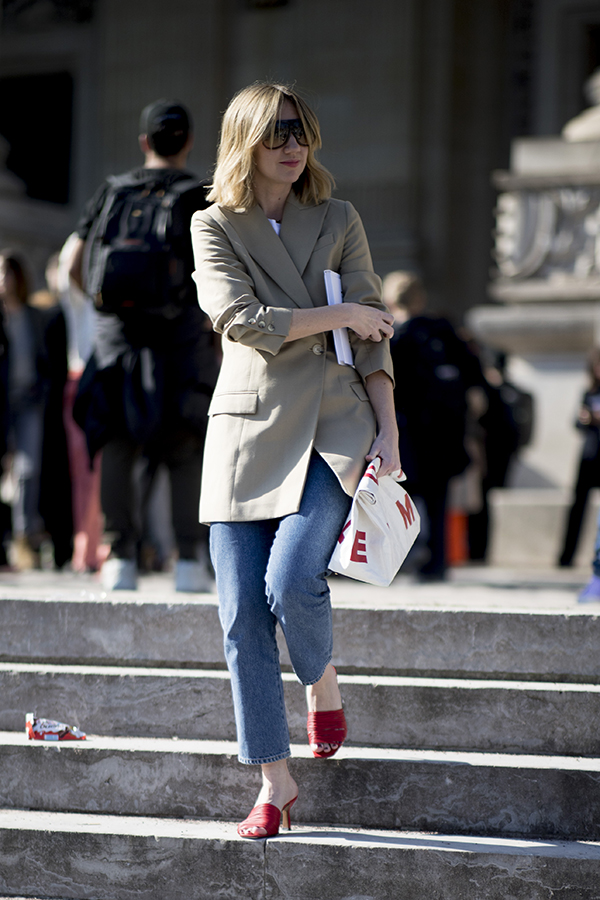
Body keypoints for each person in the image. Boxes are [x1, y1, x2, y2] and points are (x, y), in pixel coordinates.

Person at [191, 82, 397, 838]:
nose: (292, 142)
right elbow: (241, 321)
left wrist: (390, 435)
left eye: (302, 129)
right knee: (243, 612)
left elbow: (378, 336)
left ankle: (321, 672)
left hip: (337, 427)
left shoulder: (339, 217)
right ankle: (274, 784)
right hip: (245, 432)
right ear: (246, 139)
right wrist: (342, 313)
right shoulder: (211, 224)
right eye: (276, 131)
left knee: (290, 578)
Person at [68, 100, 219, 591]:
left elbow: (73, 262)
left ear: (144, 143)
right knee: (184, 444)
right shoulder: (201, 194)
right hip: (179, 340)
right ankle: (189, 561)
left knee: (117, 442)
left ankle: (121, 558)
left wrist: (100, 307)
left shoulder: (113, 190)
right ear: (189, 142)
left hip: (118, 340)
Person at [384, 271, 482, 580]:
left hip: (408, 430)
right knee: (438, 497)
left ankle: (402, 558)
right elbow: (473, 374)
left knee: (399, 496)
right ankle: (437, 561)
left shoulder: (392, 335)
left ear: (389, 299)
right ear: (420, 297)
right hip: (444, 431)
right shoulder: (444, 330)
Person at [0, 249, 72, 569]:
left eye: (8, 272)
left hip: (30, 400)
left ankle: (23, 537)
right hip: (2, 402)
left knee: (29, 471)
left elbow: (44, 359)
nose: (4, 279)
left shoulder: (33, 315)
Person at [558, 348, 600, 568]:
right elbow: (577, 424)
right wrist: (585, 419)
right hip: (590, 455)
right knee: (577, 508)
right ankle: (566, 556)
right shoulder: (589, 392)